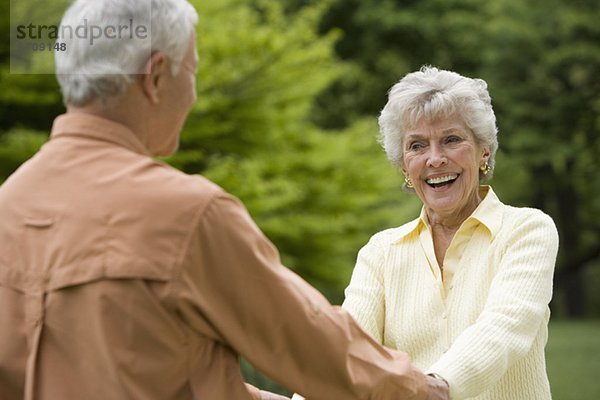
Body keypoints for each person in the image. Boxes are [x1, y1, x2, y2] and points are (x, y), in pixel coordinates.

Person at [0, 1, 451, 399]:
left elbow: (119, 367)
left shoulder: (8, 205)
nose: (193, 93)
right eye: (192, 71)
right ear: (156, 76)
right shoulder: (185, 213)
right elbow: (306, 339)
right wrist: (415, 388)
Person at [336, 66, 558, 400]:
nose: (435, 159)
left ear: (483, 151)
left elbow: (504, 327)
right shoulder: (381, 251)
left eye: (452, 140)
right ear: (404, 166)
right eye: (417, 146)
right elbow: (347, 353)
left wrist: (435, 385)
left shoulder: (526, 231)